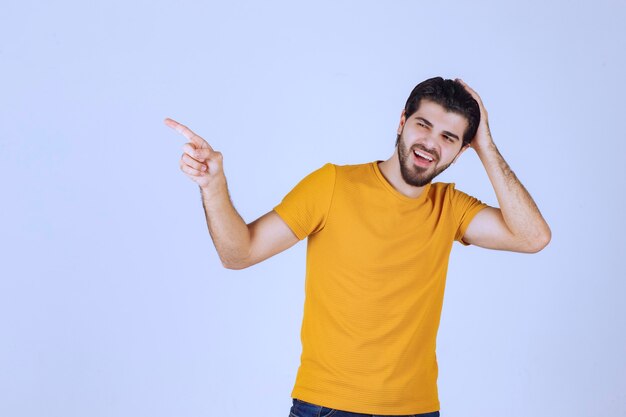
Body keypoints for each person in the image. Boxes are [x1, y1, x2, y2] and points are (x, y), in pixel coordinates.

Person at [164, 77, 551, 417]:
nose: (431, 143)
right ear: (402, 122)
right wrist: (213, 186)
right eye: (423, 125)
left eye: (449, 137)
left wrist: (486, 145)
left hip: (417, 410)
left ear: (461, 150)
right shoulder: (332, 185)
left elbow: (533, 237)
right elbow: (239, 253)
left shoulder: (450, 207)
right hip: (328, 407)